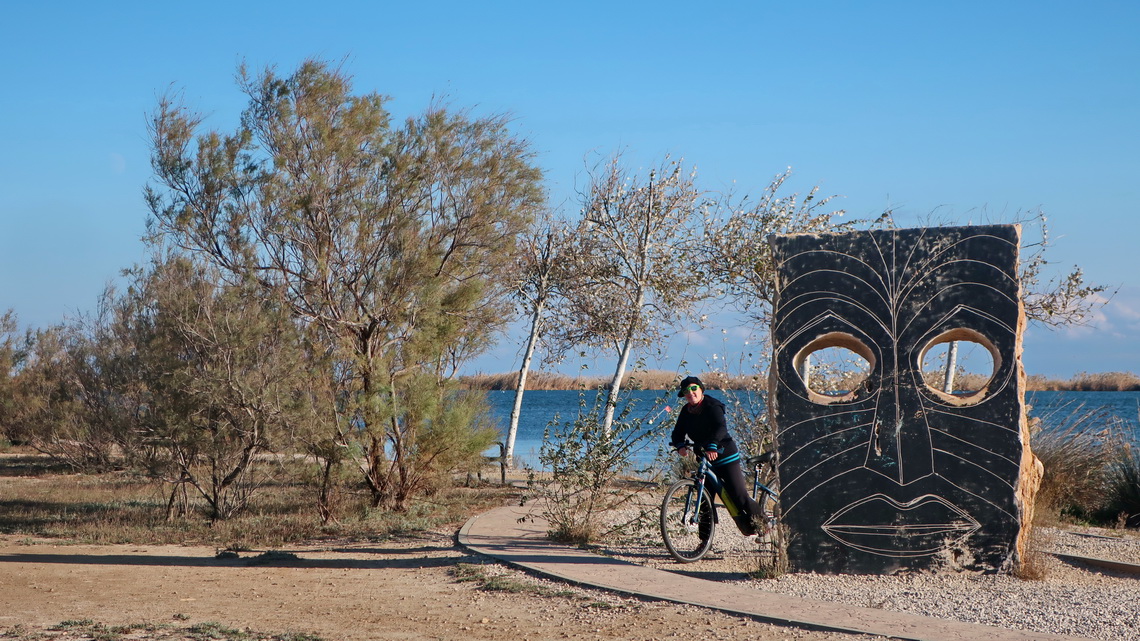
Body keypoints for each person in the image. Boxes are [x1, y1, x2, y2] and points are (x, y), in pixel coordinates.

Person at [670, 375, 762, 537]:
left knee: (739, 496)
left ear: (701, 390)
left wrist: (712, 445)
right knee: (705, 501)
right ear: (684, 395)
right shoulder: (686, 411)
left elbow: (721, 428)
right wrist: (680, 445)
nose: (691, 393)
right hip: (705, 460)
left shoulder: (712, 406)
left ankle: (764, 525)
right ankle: (704, 541)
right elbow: (677, 433)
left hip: (725, 455)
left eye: (694, 389)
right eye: (686, 391)